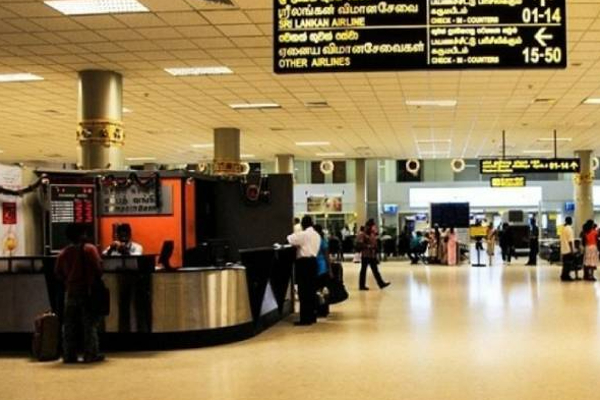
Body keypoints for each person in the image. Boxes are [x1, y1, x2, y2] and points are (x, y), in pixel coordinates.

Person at [55, 223, 104, 364]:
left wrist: (68, 281)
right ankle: (91, 354)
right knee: (89, 324)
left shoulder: (64, 253)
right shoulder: (90, 249)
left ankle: (69, 355)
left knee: (69, 324)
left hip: (71, 291)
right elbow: (98, 269)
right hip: (87, 291)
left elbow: (57, 272)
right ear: (81, 235)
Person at [287, 216, 321, 326]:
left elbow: (289, 239)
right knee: (311, 290)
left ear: (303, 224)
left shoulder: (304, 234)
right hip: (313, 263)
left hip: (304, 264)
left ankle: (305, 319)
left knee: (303, 291)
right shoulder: (317, 235)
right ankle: (312, 316)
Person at [357, 219, 390, 290]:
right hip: (365, 255)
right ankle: (361, 285)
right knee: (363, 270)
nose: (374, 228)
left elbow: (374, 243)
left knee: (375, 270)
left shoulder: (372, 234)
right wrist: (368, 246)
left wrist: (375, 248)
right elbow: (360, 244)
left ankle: (381, 283)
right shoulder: (362, 234)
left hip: (372, 255)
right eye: (372, 226)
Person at [314, 224, 331, 317]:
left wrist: (329, 269)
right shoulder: (323, 241)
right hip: (322, 267)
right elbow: (327, 256)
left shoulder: (317, 241)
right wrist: (329, 269)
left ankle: (319, 308)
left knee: (318, 290)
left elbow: (326, 256)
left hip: (318, 267)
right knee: (323, 290)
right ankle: (324, 309)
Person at [560, 216, 576, 282]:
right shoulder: (569, 229)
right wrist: (572, 250)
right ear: (570, 221)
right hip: (568, 249)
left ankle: (563, 275)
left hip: (564, 249)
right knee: (568, 264)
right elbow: (570, 240)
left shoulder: (563, 228)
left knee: (565, 264)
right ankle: (566, 276)